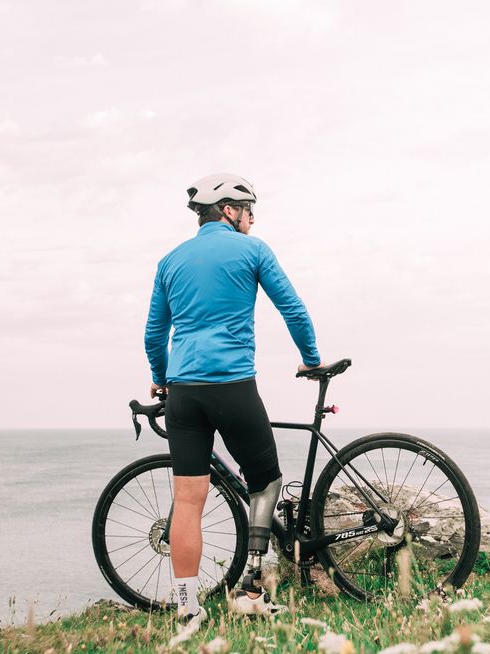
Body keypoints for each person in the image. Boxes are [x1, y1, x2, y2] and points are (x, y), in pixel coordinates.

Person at [144, 173, 322, 631]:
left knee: (187, 500)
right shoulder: (253, 250)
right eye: (248, 209)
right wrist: (310, 360)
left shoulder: (169, 261)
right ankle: (249, 590)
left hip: (183, 392)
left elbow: (154, 333)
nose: (252, 217)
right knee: (265, 482)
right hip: (232, 386)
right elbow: (293, 308)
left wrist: (161, 380)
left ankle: (187, 608)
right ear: (228, 210)